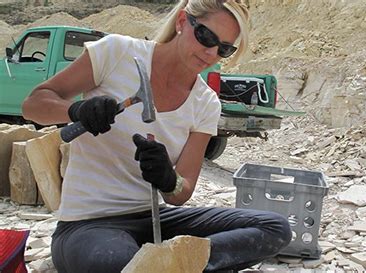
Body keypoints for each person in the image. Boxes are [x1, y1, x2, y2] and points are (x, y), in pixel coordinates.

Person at [22, 1, 291, 272]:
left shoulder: (206, 103)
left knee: (273, 227)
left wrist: (167, 178)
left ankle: (171, 265)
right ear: (183, 22)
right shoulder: (117, 52)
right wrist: (75, 110)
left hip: (153, 219)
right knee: (118, 262)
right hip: (88, 225)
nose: (211, 52)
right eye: (206, 37)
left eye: (224, 48)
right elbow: (33, 105)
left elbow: (180, 193)